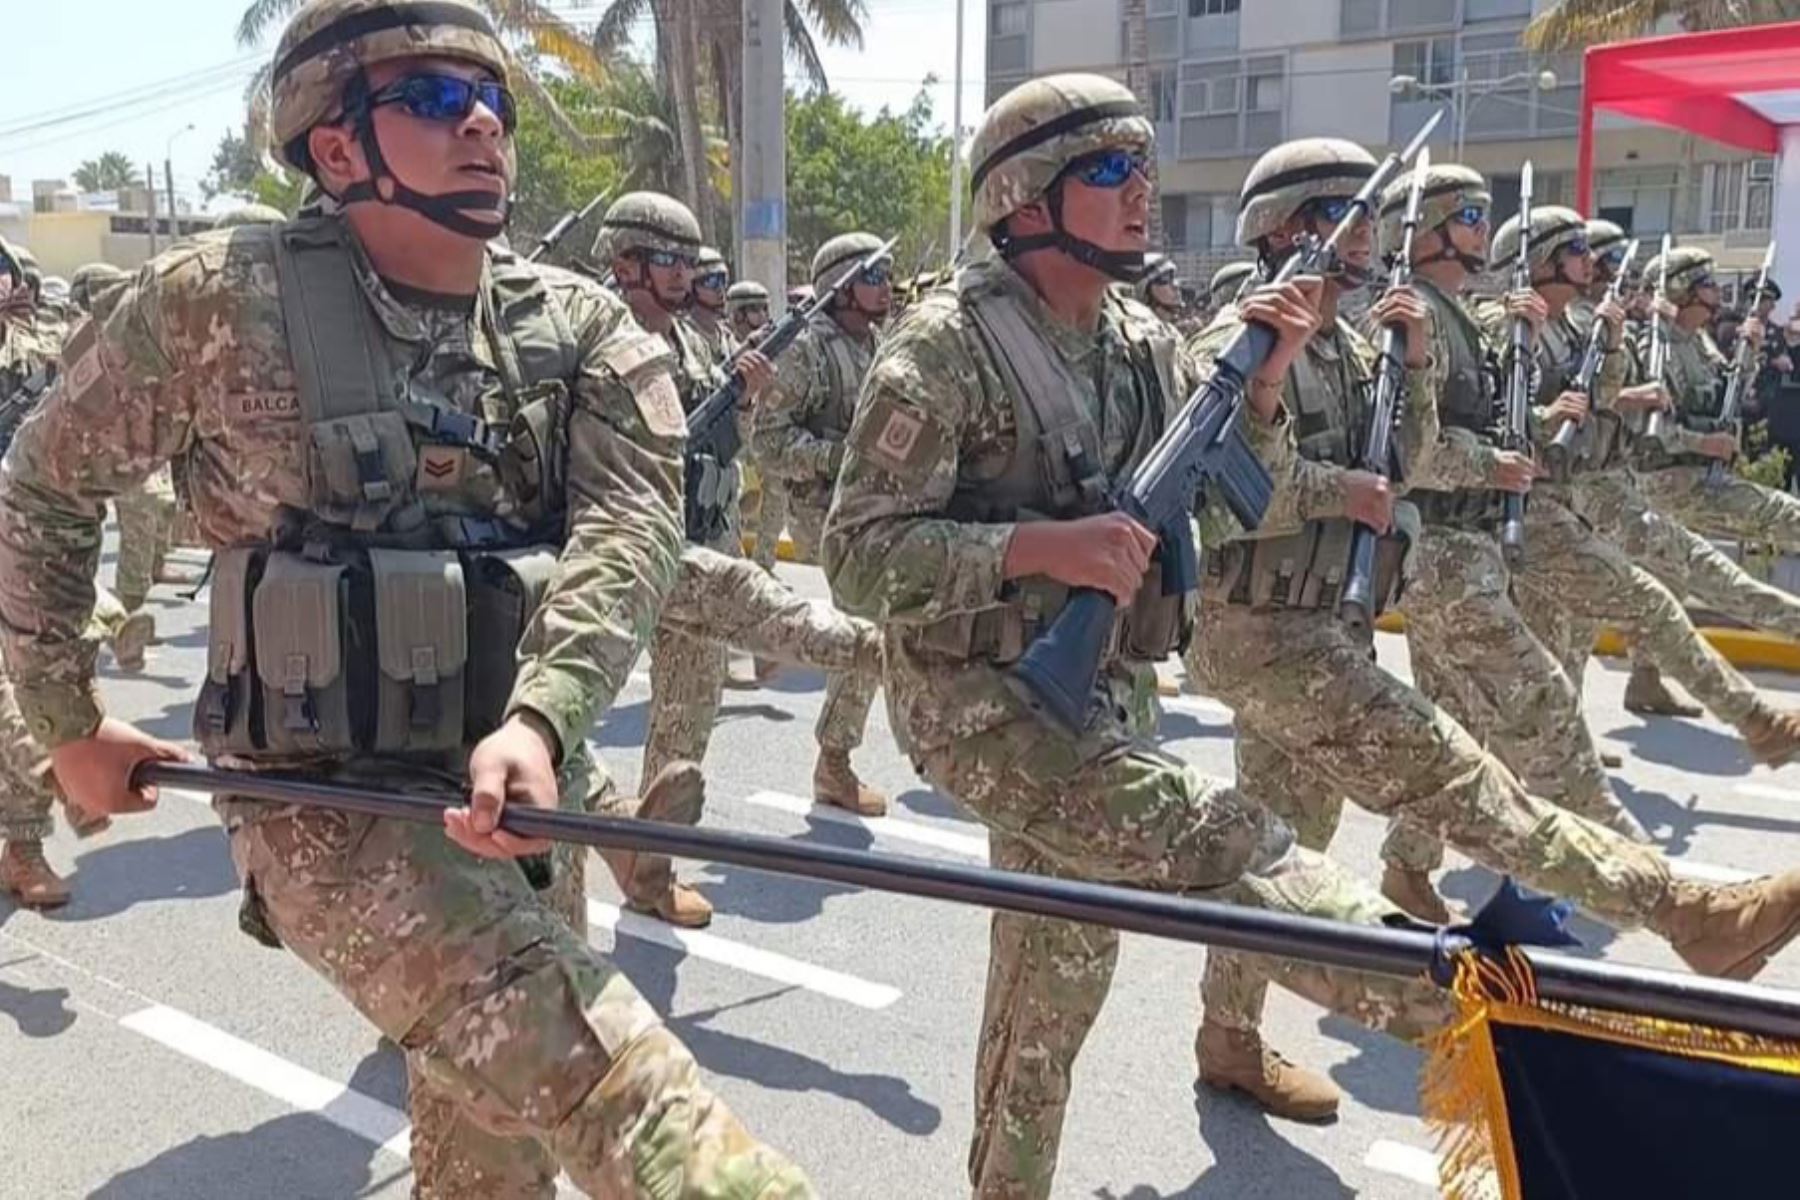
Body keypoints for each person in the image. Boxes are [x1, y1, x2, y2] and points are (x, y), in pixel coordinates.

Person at [0, 3, 812, 1193]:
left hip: (518, 794)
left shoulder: (581, 328)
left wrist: (542, 718)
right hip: (324, 803)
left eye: (492, 99)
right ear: (336, 149)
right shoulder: (216, 305)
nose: (482, 120)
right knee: (610, 1087)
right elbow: (41, 488)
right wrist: (65, 720)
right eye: (432, 98)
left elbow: (630, 528)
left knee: (497, 1139)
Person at [827, 73, 1471, 1200]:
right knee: (1225, 843)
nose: (1142, 195)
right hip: (979, 703)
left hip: (1099, 697)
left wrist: (1262, 388)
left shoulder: (1141, 340)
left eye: (1144, 170)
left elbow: (1215, 512)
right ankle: (1471, 1008)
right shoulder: (942, 348)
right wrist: (1039, 549)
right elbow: (858, 558)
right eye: (1111, 173)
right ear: (1026, 199)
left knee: (1055, 986)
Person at [1186, 140, 1800, 1121]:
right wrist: (1325, 465)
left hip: (1323, 620)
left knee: (1287, 832)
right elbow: (1226, 493)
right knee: (1458, 768)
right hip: (1257, 630)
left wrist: (1416, 366)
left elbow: (1411, 454)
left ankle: (1227, 1032)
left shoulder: (1360, 335)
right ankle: (1684, 911)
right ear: (1297, 225)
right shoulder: (1242, 331)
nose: (1375, 235)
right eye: (1354, 214)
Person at [595, 193, 888, 924]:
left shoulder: (696, 341)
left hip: (700, 537)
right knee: (568, 724)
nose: (686, 275)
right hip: (628, 547)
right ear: (625, 262)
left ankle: (650, 865)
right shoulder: (598, 338)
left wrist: (746, 399)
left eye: (691, 262)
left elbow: (729, 440)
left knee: (688, 713)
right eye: (669, 260)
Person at [750, 232, 894, 815]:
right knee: (868, 626)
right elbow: (768, 440)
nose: (886, 285)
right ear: (841, 287)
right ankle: (834, 760)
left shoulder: (879, 343)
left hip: (875, 509)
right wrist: (843, 459)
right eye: (873, 275)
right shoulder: (807, 350)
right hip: (826, 513)